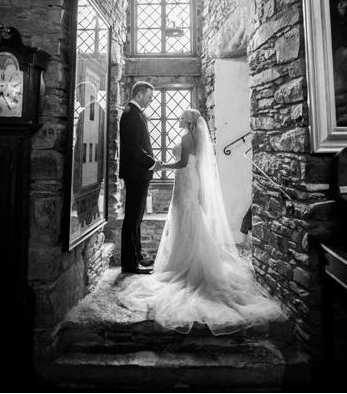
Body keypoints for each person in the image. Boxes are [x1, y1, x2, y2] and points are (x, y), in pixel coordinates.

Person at [129, 108, 283, 334]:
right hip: (193, 180)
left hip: (184, 179)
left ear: (189, 122)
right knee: (190, 216)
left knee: (184, 216)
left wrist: (162, 165)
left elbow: (181, 164)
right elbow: (194, 164)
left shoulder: (184, 137)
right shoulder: (199, 138)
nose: (179, 120)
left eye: (182, 118)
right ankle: (191, 256)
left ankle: (184, 262)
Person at [118, 82, 160, 274]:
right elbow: (134, 148)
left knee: (137, 218)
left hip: (139, 173)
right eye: (149, 97)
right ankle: (129, 264)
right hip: (136, 174)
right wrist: (152, 162)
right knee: (132, 219)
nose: (150, 101)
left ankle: (137, 257)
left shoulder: (135, 113)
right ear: (140, 94)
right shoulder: (130, 114)